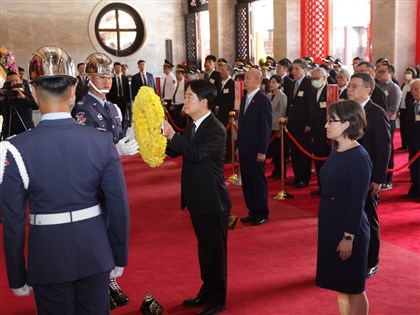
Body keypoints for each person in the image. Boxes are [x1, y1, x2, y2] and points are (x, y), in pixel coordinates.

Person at [0, 45, 130, 314]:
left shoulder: (14, 149)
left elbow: (12, 221)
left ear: (33, 92)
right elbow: (118, 206)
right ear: (73, 91)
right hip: (94, 252)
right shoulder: (102, 142)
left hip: (47, 256)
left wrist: (16, 274)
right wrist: (119, 255)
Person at [72, 52, 137, 309]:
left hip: (111, 177)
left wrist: (131, 136)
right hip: (92, 182)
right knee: (96, 235)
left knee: (110, 230)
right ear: (89, 78)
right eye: (101, 76)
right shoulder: (83, 109)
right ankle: (99, 285)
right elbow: (86, 149)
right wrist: (115, 149)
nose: (107, 80)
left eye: (109, 75)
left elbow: (118, 137)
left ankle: (109, 281)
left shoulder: (111, 107)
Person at [162, 80, 231, 315]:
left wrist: (173, 136)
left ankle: (218, 299)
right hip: (198, 199)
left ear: (204, 102)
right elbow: (176, 150)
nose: (185, 100)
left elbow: (195, 154)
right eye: (186, 95)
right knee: (205, 250)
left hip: (213, 201)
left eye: (190, 96)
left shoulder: (215, 128)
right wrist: (159, 138)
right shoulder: (193, 126)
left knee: (215, 253)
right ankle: (207, 290)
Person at [316, 100, 372, 315]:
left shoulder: (358, 157)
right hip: (332, 224)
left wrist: (348, 237)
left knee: (354, 288)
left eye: (332, 121)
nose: (326, 125)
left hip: (349, 229)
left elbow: (357, 202)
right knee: (341, 285)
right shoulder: (338, 149)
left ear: (347, 124)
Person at [347, 72, 391, 278]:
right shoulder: (348, 110)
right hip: (349, 173)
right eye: (350, 85)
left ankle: (372, 261)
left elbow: (384, 149)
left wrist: (378, 179)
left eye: (355, 86)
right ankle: (353, 255)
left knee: (368, 219)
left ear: (368, 90)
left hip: (368, 175)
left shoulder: (376, 112)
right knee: (350, 216)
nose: (350, 89)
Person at [237, 68, 272, 226]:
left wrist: (262, 151)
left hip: (256, 149)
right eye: (244, 78)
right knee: (248, 181)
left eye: (248, 78)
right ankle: (252, 210)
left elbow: (265, 128)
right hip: (244, 147)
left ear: (258, 81)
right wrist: (238, 146)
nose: (245, 80)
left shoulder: (263, 100)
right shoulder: (245, 99)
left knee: (257, 181)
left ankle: (262, 212)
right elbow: (242, 126)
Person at [286, 58, 314, 188]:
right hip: (292, 124)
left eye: (297, 69)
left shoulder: (309, 84)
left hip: (303, 125)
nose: (294, 71)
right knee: (294, 151)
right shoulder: (292, 84)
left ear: (305, 70)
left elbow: (311, 105)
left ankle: (304, 178)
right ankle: (297, 176)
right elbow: (290, 103)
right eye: (293, 69)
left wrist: (309, 123)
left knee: (303, 152)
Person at [376, 63, 402, 190]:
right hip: (375, 123)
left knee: (387, 151)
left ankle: (388, 179)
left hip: (387, 123)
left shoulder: (394, 88)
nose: (378, 73)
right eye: (378, 71)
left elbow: (392, 109)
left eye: (382, 71)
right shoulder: (375, 87)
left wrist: (381, 122)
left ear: (390, 74)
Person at [309, 67, 330, 195]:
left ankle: (327, 187)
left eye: (316, 79)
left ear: (324, 78)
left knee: (325, 160)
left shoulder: (330, 91)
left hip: (326, 132)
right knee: (318, 160)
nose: (314, 81)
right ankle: (321, 185)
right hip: (316, 132)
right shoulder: (314, 91)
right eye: (312, 79)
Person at [0, 71, 38, 139]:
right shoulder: (4, 97)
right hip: (9, 133)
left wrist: (24, 97)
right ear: (7, 83)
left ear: (20, 81)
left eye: (16, 80)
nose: (14, 83)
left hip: (26, 131)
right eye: (10, 81)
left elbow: (36, 106)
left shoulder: (26, 94)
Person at [402, 79, 420, 199]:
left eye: (416, 89)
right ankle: (415, 190)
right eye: (411, 89)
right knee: (414, 167)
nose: (413, 92)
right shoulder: (413, 104)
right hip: (414, 143)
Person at [267, 75, 287, 180]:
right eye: (270, 82)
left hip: (277, 127)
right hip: (269, 127)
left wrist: (280, 129)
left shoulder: (282, 96)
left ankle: (281, 171)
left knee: (279, 151)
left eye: (274, 82)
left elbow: (282, 113)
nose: (271, 84)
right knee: (274, 152)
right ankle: (275, 170)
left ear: (279, 84)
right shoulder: (269, 95)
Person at [108, 61, 131, 132]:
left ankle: (123, 130)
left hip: (123, 100)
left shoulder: (125, 78)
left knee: (124, 115)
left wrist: (128, 100)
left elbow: (128, 90)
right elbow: (109, 91)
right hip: (114, 100)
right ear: (114, 69)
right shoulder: (111, 78)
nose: (118, 69)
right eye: (116, 67)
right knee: (115, 115)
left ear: (121, 68)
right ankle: (116, 129)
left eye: (119, 67)